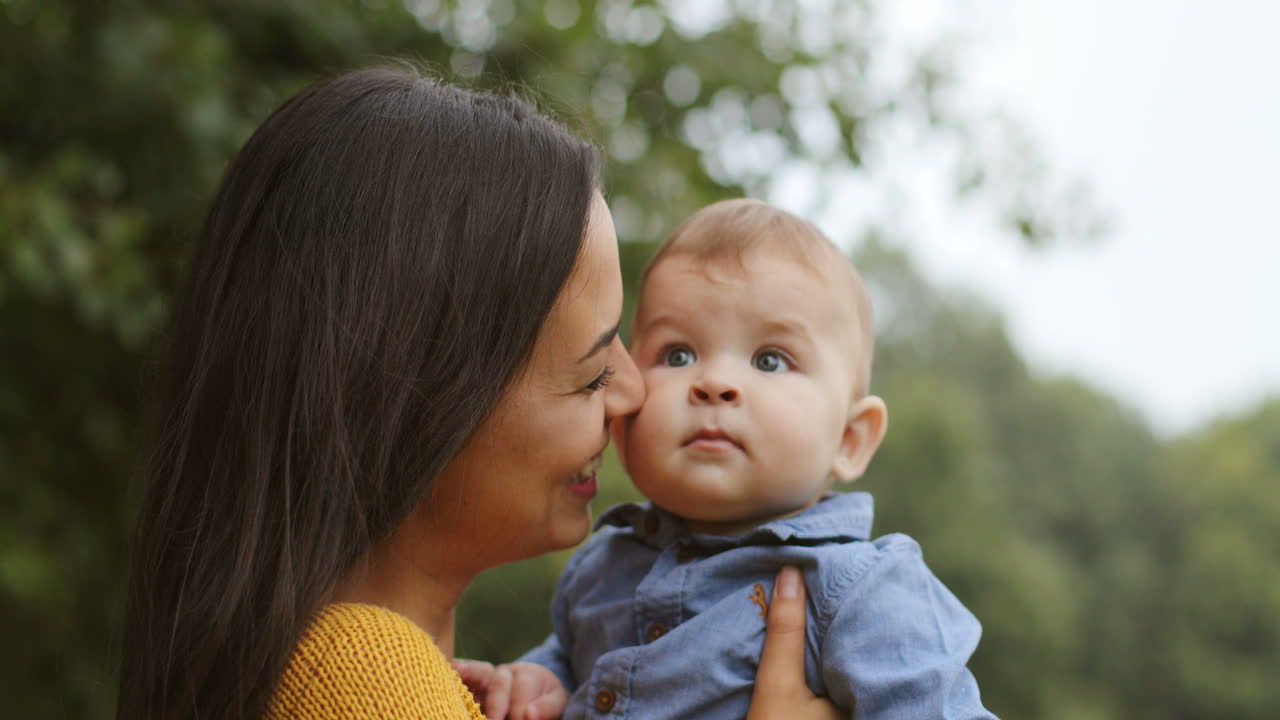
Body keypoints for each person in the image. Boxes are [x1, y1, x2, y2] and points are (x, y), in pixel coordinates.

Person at [115, 67, 840, 720]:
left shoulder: (397, 675)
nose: (632, 392)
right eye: (592, 368)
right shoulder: (366, 684)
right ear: (429, 396)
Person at [458, 199, 997, 719]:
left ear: (850, 439)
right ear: (623, 420)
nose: (714, 383)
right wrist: (541, 682)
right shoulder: (601, 568)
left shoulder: (862, 592)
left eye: (770, 360)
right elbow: (574, 666)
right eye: (678, 355)